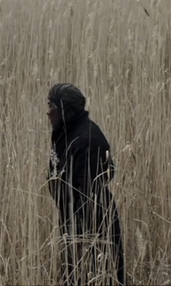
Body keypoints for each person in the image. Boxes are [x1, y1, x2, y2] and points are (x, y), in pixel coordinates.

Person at [46, 83, 125, 286]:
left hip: (92, 225)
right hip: (73, 221)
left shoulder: (87, 139)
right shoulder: (66, 132)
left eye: (51, 106)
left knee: (95, 276)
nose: (48, 112)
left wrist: (81, 238)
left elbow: (89, 191)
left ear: (64, 110)